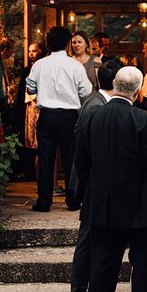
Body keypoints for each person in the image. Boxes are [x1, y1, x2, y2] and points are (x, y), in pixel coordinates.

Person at [75, 66, 147, 292]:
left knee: (102, 264)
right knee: (145, 268)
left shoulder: (92, 116)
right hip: (140, 208)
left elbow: (81, 162)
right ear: (139, 91)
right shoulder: (144, 120)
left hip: (102, 205)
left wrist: (92, 192)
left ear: (114, 86)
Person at [68, 60, 126, 292]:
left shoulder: (101, 103)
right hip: (93, 186)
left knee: (105, 243)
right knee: (87, 244)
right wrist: (90, 185)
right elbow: (82, 154)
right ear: (115, 82)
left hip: (105, 187)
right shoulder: (94, 106)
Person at [26, 26, 92, 212]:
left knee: (46, 160)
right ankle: (73, 201)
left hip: (46, 116)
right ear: (67, 44)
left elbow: (30, 89)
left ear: (48, 44)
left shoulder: (39, 65)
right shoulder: (75, 65)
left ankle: (44, 202)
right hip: (69, 117)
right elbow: (85, 91)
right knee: (71, 159)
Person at [13, 41, 46, 180]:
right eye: (30, 51)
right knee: (29, 139)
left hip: (40, 106)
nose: (31, 54)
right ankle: (29, 171)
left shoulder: (44, 68)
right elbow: (22, 91)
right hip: (29, 107)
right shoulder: (26, 70)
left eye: (34, 51)